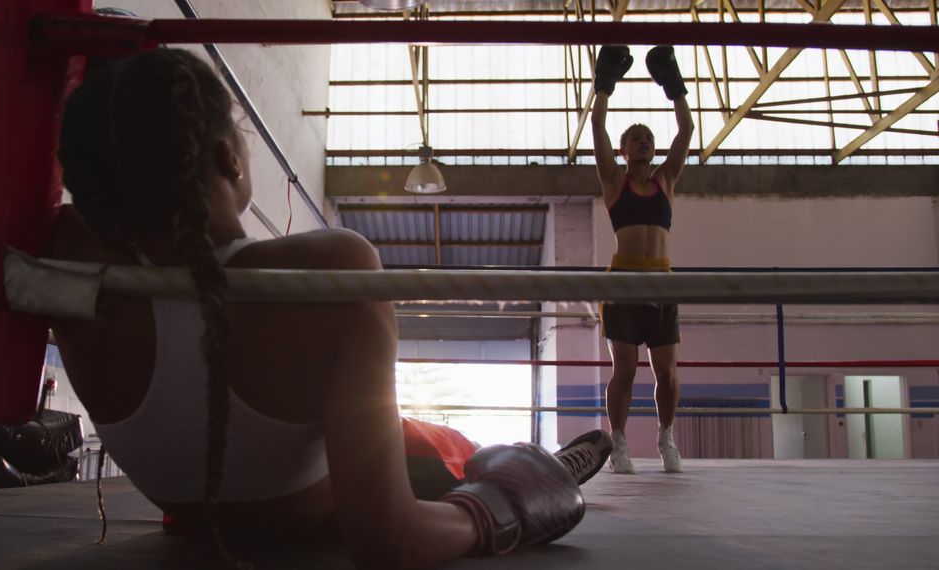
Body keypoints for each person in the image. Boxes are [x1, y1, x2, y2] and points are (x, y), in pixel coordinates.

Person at [49, 47, 611, 567]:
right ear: (230, 158)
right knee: (450, 452)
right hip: (327, 510)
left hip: (194, 518)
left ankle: (538, 462)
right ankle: (542, 471)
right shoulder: (330, 268)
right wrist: (495, 511)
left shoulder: (61, 258)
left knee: (427, 436)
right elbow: (390, 539)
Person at [590, 45, 694, 474]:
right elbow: (596, 123)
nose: (645, 142)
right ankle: (618, 441)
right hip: (624, 282)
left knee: (668, 374)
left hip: (662, 282)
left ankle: (666, 437)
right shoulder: (614, 181)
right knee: (627, 368)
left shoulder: (667, 179)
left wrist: (673, 86)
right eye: (637, 138)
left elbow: (686, 129)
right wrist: (604, 85)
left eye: (649, 138)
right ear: (623, 148)